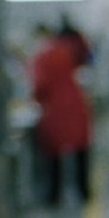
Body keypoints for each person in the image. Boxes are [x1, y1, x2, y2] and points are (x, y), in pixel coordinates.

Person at [30, 21, 93, 206]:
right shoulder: (67, 50)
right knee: (80, 151)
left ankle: (54, 195)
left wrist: (36, 99)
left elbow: (39, 86)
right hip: (75, 105)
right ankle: (84, 191)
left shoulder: (40, 57)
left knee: (53, 155)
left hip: (54, 110)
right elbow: (86, 59)